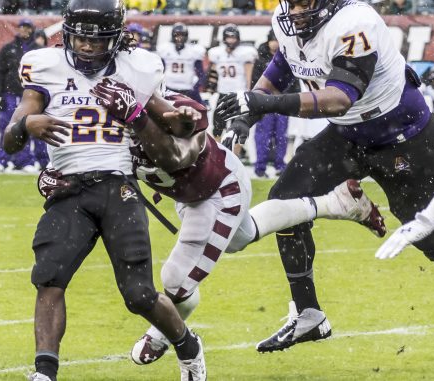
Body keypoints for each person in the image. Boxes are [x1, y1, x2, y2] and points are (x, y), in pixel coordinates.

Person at [215, 0, 434, 352]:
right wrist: (247, 113)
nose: (296, 11)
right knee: (284, 200)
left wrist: (261, 105)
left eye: (305, 2)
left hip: (401, 137)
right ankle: (308, 314)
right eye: (291, 2)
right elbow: (283, 65)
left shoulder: (355, 22)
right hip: (348, 135)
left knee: (431, 238)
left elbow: (338, 99)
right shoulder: (289, 21)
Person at [94, 86, 385, 365]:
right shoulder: (106, 124)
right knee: (239, 237)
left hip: (218, 189)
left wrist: (141, 123)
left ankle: (164, 332)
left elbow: (177, 156)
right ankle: (338, 203)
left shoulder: (174, 107)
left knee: (176, 279)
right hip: (192, 195)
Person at [2, 1, 206, 380]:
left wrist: (181, 120)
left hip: (118, 186)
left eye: (97, 41)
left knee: (139, 295)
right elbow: (10, 138)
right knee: (49, 279)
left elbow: (173, 130)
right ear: (67, 33)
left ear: (115, 38)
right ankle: (44, 372)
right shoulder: (44, 65)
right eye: (80, 38)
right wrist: (27, 123)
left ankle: (189, 346)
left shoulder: (137, 67)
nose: (87, 48)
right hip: (68, 189)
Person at [0, 18, 39, 173]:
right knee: (6, 126)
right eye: (22, 27)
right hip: (10, 93)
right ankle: (2, 160)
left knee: (26, 126)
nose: (24, 30)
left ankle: (25, 160)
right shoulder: (8, 48)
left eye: (27, 27)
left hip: (30, 94)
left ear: (32, 29)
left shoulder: (39, 50)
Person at [250, 30, 290, 177]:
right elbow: (255, 82)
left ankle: (280, 165)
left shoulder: (288, 58)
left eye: (277, 40)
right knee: (263, 135)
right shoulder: (261, 60)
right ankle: (260, 167)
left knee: (281, 135)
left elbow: (294, 82)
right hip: (265, 103)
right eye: (273, 40)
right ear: (268, 42)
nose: (275, 43)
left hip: (283, 102)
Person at [207, 24, 258, 139]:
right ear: (224, 38)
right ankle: (219, 151)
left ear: (238, 38)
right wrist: (210, 88)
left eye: (233, 37)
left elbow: (249, 75)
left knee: (237, 127)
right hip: (223, 93)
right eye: (228, 37)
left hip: (239, 94)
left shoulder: (245, 53)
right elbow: (214, 73)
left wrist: (250, 91)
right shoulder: (217, 53)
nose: (231, 40)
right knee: (218, 126)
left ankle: (234, 154)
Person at [156, 22, 206, 104]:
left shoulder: (193, 51)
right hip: (169, 88)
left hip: (188, 89)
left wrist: (196, 87)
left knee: (201, 110)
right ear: (173, 36)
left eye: (182, 35)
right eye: (177, 35)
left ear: (186, 36)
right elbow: (160, 70)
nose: (179, 38)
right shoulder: (165, 49)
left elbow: (201, 73)